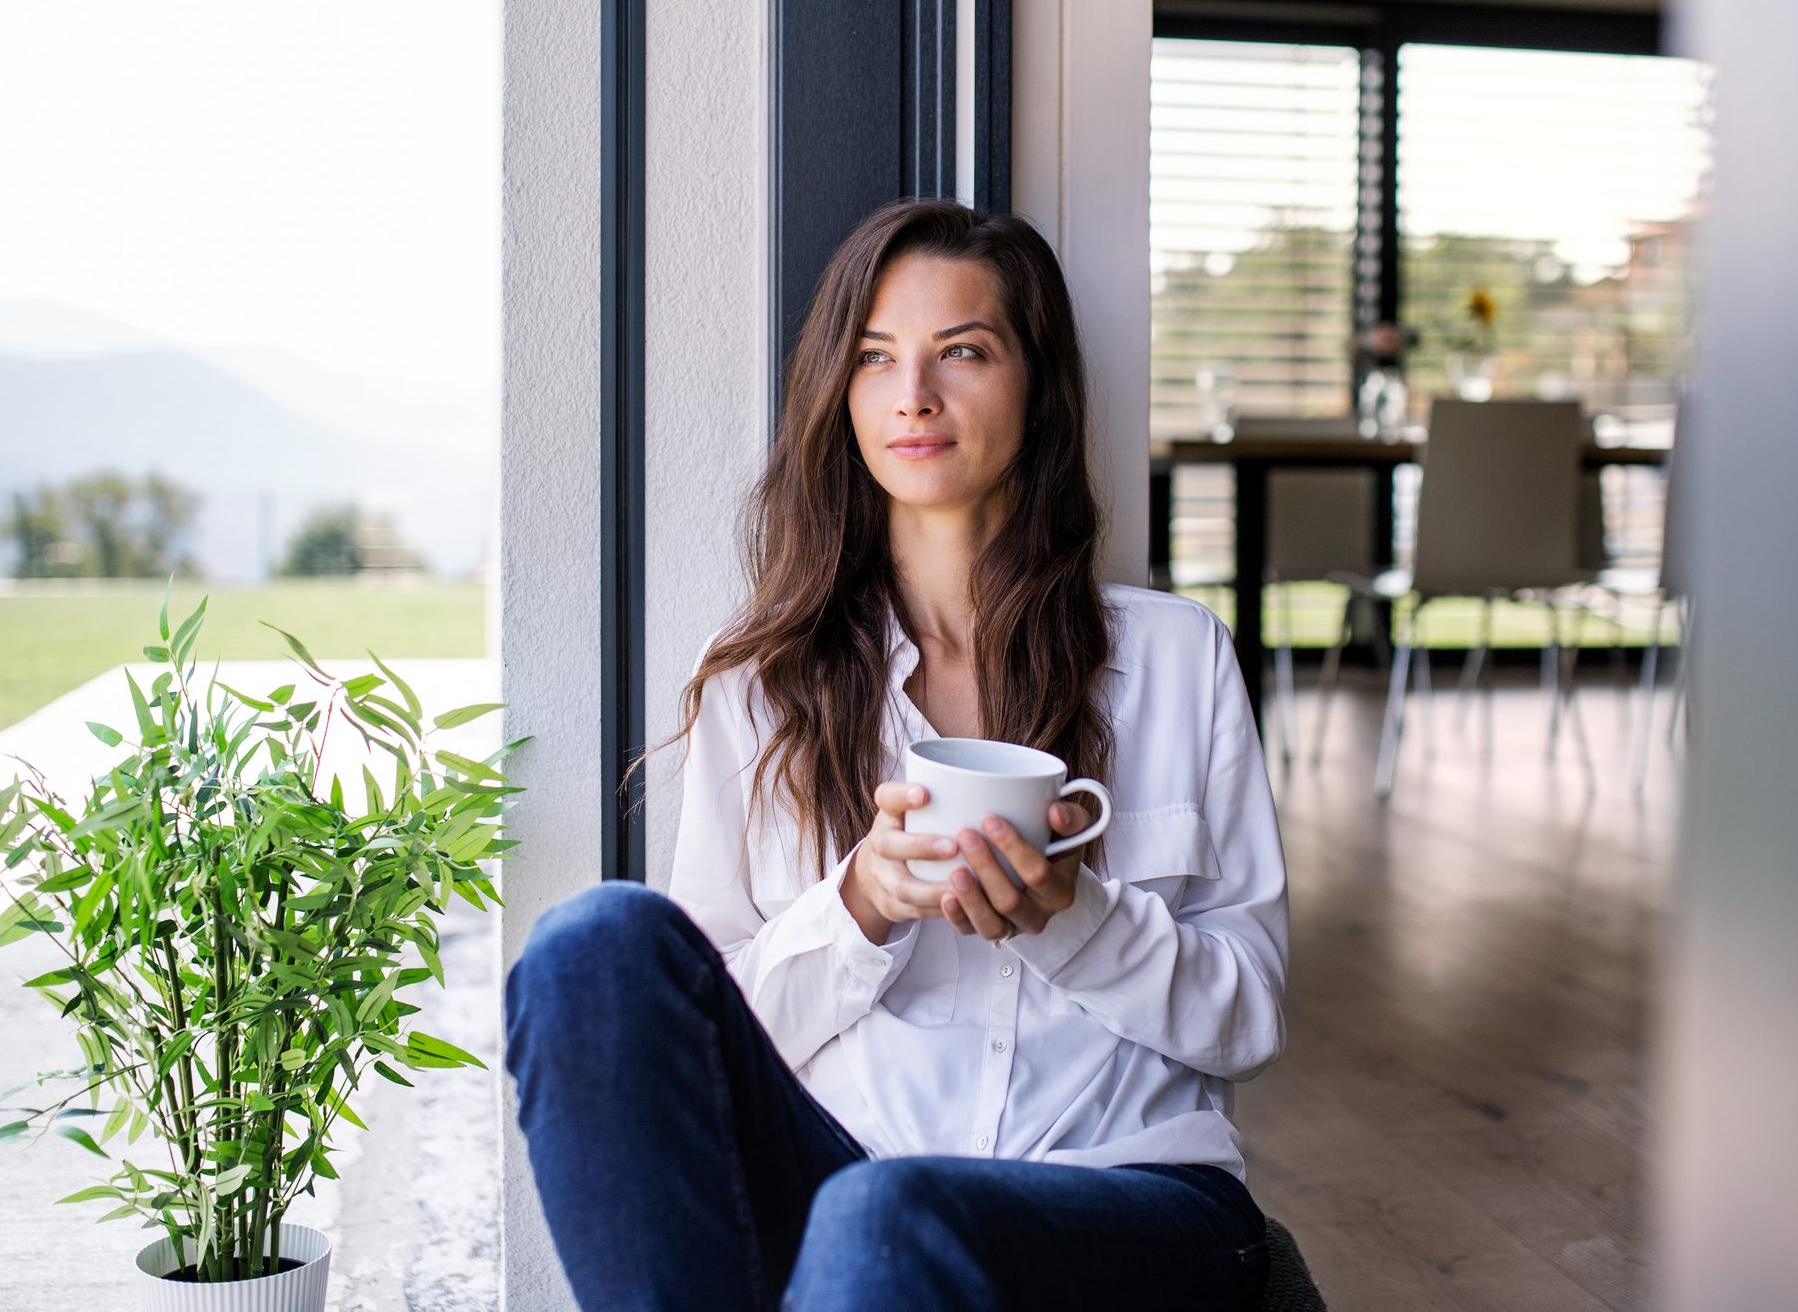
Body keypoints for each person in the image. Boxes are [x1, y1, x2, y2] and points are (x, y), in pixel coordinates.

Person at [504, 198, 1289, 1311]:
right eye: (876, 358)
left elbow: (1248, 1020)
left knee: (890, 1214)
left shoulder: (1177, 658)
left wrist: (1076, 917)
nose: (913, 394)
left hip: (1128, 1196)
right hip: (842, 1175)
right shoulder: (758, 685)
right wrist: (859, 904)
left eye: (961, 351)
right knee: (592, 943)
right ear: (841, 393)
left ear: (1037, 385)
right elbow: (714, 1047)